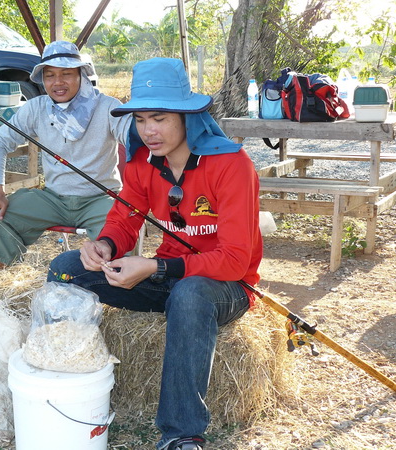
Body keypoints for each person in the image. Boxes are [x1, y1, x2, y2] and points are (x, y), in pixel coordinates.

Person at [48, 58, 263, 450]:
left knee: (192, 292)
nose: (149, 130)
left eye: (160, 118)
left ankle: (181, 434)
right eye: (141, 119)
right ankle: (64, 389)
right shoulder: (141, 162)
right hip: (165, 278)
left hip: (224, 287)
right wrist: (106, 246)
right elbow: (124, 218)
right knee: (66, 269)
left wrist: (156, 266)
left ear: (187, 116)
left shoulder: (232, 165)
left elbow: (234, 259)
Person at [0, 40, 132, 269]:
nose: (57, 82)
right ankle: (2, 287)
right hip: (52, 198)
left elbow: (136, 139)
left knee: (118, 233)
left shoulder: (108, 106)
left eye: (66, 74)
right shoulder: (35, 107)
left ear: (81, 74)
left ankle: (113, 288)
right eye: (49, 75)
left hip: (101, 198)